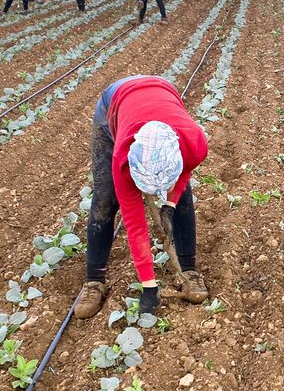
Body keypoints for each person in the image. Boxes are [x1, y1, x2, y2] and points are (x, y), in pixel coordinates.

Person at [75, 75, 209, 320]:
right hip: (114, 103)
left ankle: (189, 270)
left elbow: (184, 170)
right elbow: (135, 225)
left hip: (160, 92)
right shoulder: (122, 159)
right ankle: (94, 280)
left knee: (183, 200)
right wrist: (149, 286)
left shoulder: (194, 142)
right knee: (105, 199)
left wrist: (169, 204)